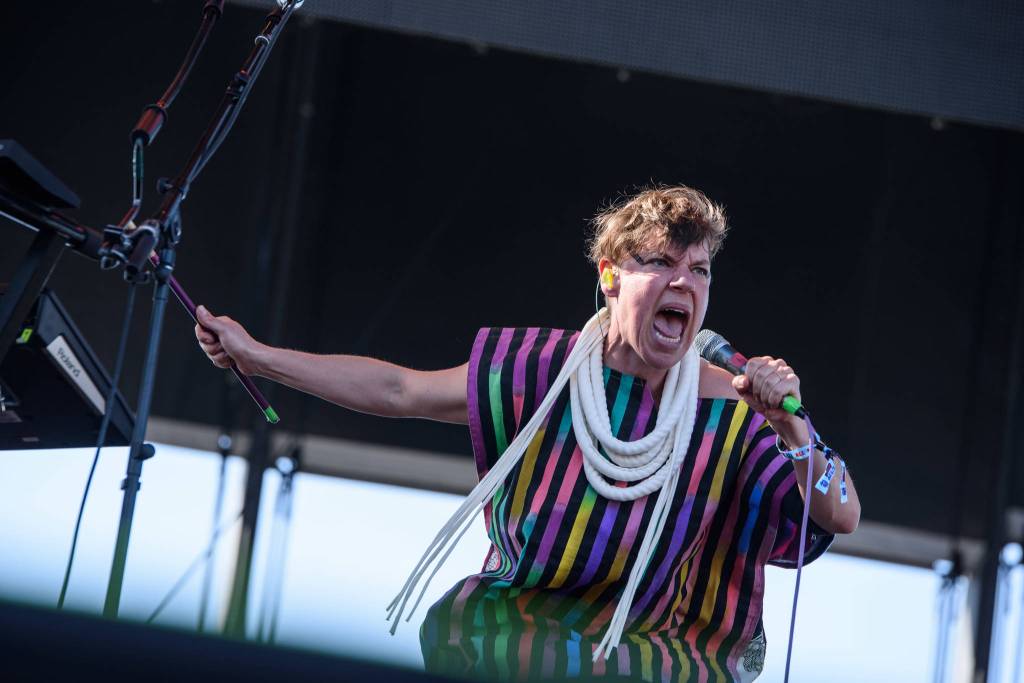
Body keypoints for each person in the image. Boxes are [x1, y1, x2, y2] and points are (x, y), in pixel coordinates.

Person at [194, 185, 860, 682]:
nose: (685, 279)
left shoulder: (733, 409)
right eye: (661, 261)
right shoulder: (541, 371)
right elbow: (400, 389)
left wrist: (789, 420)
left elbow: (839, 513)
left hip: (652, 659)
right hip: (515, 639)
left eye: (701, 268)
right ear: (610, 276)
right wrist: (257, 355)